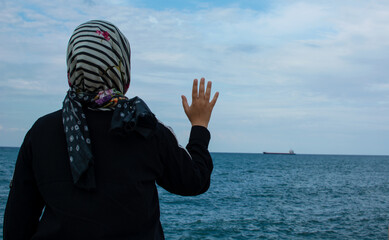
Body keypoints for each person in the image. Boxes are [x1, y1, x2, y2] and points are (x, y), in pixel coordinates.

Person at [3, 20, 219, 240]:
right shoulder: (143, 128)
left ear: (71, 70)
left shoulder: (40, 131)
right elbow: (194, 180)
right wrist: (199, 125)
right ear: (123, 72)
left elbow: (16, 226)